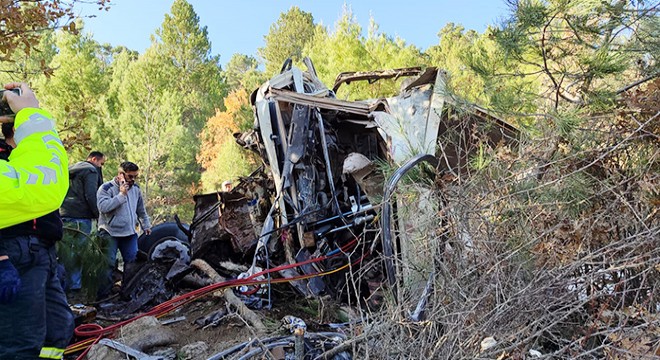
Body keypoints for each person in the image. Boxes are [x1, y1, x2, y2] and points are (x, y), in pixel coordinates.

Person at [0, 82, 74, 359]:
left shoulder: (14, 160)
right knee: (19, 344)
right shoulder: (16, 159)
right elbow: (43, 185)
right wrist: (32, 114)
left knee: (57, 330)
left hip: (39, 251)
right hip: (13, 254)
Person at [97, 161, 151, 298]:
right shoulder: (105, 188)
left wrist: (146, 225)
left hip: (129, 233)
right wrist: (121, 196)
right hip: (109, 232)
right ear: (121, 175)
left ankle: (128, 293)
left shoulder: (136, 189)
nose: (133, 180)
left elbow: (141, 211)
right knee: (107, 266)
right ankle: (104, 296)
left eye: (135, 177)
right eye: (130, 176)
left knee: (132, 264)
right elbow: (103, 207)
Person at [59, 151, 106, 291]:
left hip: (63, 215)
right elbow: (91, 195)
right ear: (94, 159)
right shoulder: (90, 171)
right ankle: (75, 288)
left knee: (64, 253)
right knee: (78, 253)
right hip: (80, 218)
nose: (101, 167)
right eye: (101, 163)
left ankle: (61, 288)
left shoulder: (70, 170)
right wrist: (99, 215)